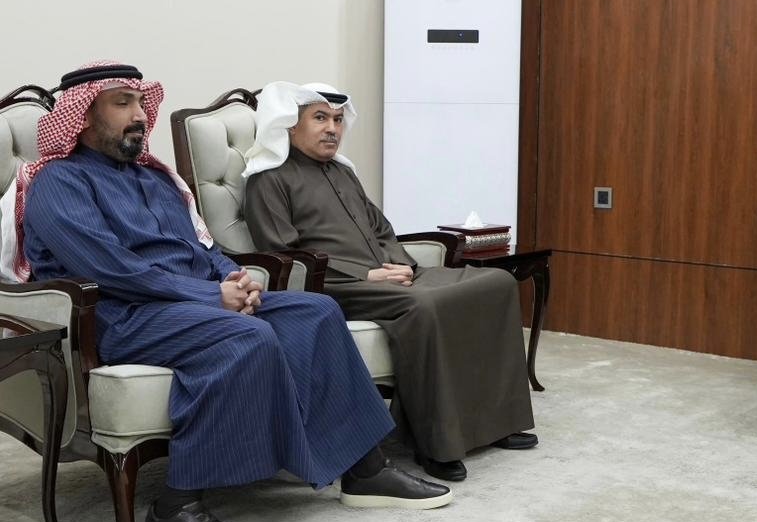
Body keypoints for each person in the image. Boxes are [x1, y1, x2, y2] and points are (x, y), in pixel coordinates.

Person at [17, 62, 452, 522]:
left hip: (187, 304)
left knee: (318, 310)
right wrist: (211, 298)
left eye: (141, 103)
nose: (140, 115)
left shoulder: (155, 179)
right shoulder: (59, 182)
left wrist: (234, 278)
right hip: (124, 315)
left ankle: (365, 468)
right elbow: (110, 269)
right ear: (83, 115)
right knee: (246, 335)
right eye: (123, 104)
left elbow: (203, 247)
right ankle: (177, 503)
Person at [242, 81, 536, 483]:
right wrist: (366, 274)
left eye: (338, 120)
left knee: (497, 283)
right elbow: (285, 255)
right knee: (425, 305)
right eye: (320, 118)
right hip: (333, 287)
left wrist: (398, 264)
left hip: (385, 275)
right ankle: (437, 445)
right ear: (291, 125)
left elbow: (381, 229)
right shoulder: (268, 180)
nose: (332, 129)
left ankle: (496, 423)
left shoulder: (343, 172)